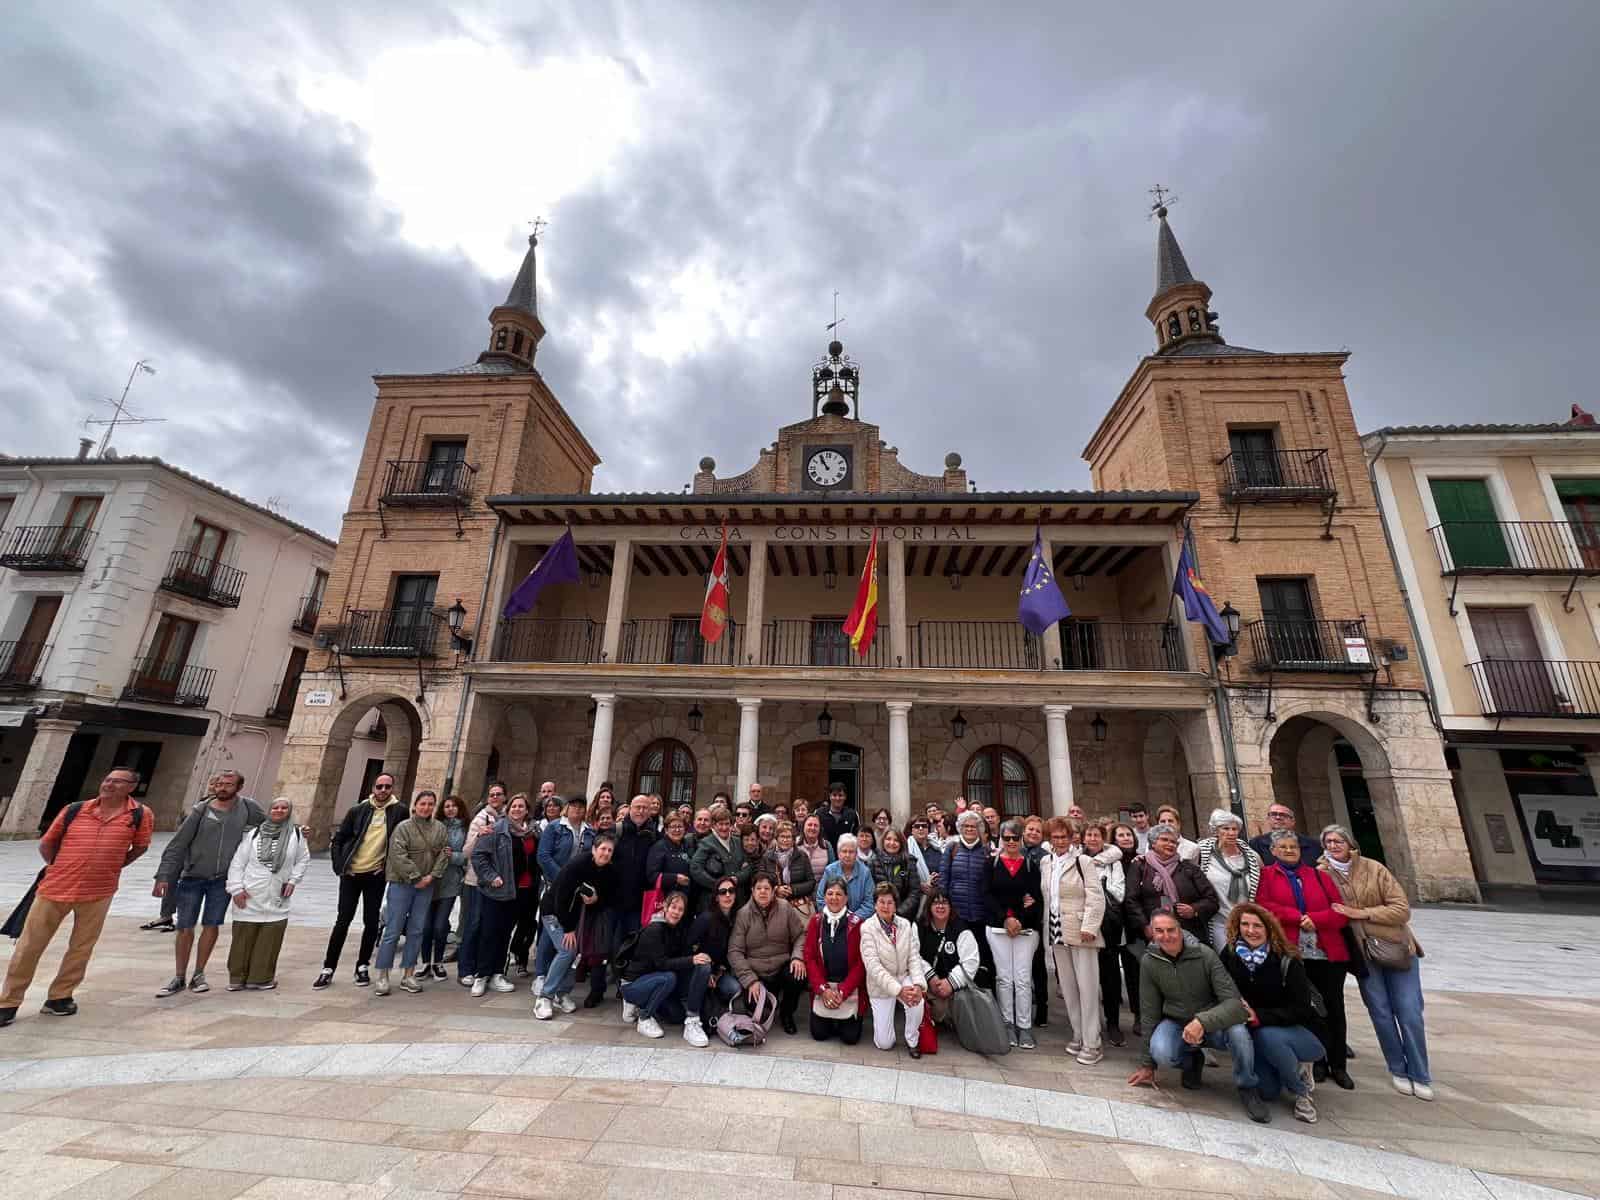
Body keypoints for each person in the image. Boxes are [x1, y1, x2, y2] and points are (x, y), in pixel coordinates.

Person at [0, 768, 152, 1026]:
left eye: (118, 782)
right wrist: (59, 866)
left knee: (81, 947)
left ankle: (60, 996)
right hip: (55, 887)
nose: (109, 785)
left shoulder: (139, 815)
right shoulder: (75, 810)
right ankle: (8, 1002)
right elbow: (47, 843)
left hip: (99, 891)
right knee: (28, 946)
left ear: (131, 787)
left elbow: (140, 846)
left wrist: (112, 866)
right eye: (107, 779)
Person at [1321, 823, 1432, 1100]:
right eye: (1329, 842)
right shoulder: (1320, 873)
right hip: (1362, 952)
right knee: (1380, 1012)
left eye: (1339, 841)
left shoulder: (1374, 869)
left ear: (1350, 843)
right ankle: (1397, 1068)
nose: (1334, 846)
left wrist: (1360, 913)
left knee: (1409, 1012)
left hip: (1395, 946)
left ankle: (1420, 1074)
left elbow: (1401, 909)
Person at [1127, 912, 1270, 1124]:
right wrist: (1148, 1065)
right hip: (1177, 1021)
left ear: (1181, 930)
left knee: (1239, 1033)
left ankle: (1248, 1087)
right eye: (1159, 931)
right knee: (1162, 1052)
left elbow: (1234, 1003)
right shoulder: (1149, 961)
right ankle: (1192, 1059)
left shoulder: (1205, 954)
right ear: (1152, 933)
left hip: (1214, 1021)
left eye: (1171, 930)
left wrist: (1202, 1022)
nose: (1166, 936)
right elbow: (1149, 1013)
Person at [154, 770, 266, 997]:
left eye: (229, 784)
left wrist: (295, 831)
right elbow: (178, 844)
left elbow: (269, 827)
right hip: (193, 877)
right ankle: (179, 976)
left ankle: (199, 973)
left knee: (211, 924)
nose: (222, 787)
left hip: (223, 880)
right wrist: (164, 875)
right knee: (185, 926)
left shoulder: (248, 808)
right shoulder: (201, 810)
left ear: (238, 787)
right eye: (220, 783)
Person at [1256, 829, 1352, 1089]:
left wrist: (1316, 919)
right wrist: (1296, 917)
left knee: (1333, 1007)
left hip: (1326, 951)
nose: (1289, 850)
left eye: (1293, 846)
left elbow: (1340, 912)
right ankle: (1317, 1060)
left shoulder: (1319, 877)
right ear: (1273, 851)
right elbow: (1264, 905)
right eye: (1283, 847)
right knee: (1305, 1008)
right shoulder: (1266, 875)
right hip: (1291, 952)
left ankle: (1339, 1064)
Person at [1219, 902, 1325, 1123]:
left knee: (1269, 1035)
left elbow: (1302, 1009)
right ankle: (1288, 1068)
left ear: (1269, 928)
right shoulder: (1229, 955)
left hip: (1297, 1033)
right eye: (1245, 924)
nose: (1250, 930)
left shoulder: (1286, 959)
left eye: (1257, 925)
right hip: (1258, 1032)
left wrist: (1260, 1016)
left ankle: (1301, 1091)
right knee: (1268, 1092)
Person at [316, 774, 408, 989]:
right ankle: (328, 968)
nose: (383, 790)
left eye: (387, 786)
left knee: (371, 921)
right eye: (379, 786)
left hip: (375, 876)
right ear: (373, 787)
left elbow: (401, 842)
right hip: (352, 874)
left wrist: (385, 866)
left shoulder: (400, 811)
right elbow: (339, 839)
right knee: (343, 920)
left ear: (393, 788)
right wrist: (341, 866)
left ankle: (363, 966)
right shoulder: (358, 810)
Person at [222, 796, 309, 991]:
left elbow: (303, 859)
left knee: (270, 937)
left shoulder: (296, 834)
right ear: (269, 811)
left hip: (277, 893)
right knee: (243, 937)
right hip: (250, 892)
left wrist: (294, 880)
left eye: (284, 808)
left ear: (289, 811)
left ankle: (260, 978)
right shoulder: (254, 834)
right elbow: (238, 862)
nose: (279, 810)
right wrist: (236, 888)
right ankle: (237, 978)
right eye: (275, 807)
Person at [373, 789, 450, 996]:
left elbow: (444, 853)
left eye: (430, 804)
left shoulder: (440, 828)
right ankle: (383, 975)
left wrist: (431, 877)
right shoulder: (403, 827)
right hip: (402, 884)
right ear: (415, 806)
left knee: (416, 930)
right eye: (423, 803)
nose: (426, 807)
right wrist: (416, 877)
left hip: (426, 885)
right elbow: (398, 855)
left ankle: (408, 973)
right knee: (393, 930)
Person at [533, 833, 617, 1020]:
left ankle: (562, 993)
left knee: (577, 952)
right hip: (554, 912)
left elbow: (610, 897)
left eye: (610, 850)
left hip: (580, 916)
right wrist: (569, 928)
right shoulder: (578, 865)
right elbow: (560, 897)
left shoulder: (609, 871)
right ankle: (545, 996)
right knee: (567, 950)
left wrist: (596, 900)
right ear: (594, 849)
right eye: (603, 848)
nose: (606, 853)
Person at [1043, 818, 1105, 1064]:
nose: (1059, 841)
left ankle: (1093, 1042)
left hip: (1081, 929)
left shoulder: (1083, 861)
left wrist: (1090, 926)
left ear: (1071, 838)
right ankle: (1078, 1034)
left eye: (1063, 837)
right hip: (1057, 929)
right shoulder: (1046, 863)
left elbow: (1096, 896)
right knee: (1068, 987)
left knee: (1087, 988)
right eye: (1055, 837)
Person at [141, 772, 232, 932]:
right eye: (213, 784)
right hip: (184, 849)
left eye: (218, 784)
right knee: (169, 878)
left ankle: (183, 919)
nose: (213, 787)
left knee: (187, 884)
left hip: (201, 856)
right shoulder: (204, 803)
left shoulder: (228, 806)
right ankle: (166, 915)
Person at [469, 794, 540, 997]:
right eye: (514, 806)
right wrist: (492, 876)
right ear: (508, 810)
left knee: (504, 934)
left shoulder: (533, 832)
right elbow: (478, 855)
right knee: (489, 932)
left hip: (523, 891)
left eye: (521, 806)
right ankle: (481, 974)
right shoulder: (496, 829)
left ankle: (498, 973)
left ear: (527, 810)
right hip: (498, 890)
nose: (517, 809)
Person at [619, 891, 710, 1041]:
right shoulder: (655, 929)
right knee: (669, 977)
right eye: (673, 907)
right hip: (633, 984)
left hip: (654, 980)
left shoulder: (675, 930)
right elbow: (662, 964)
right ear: (665, 907)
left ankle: (642, 1004)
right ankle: (644, 1017)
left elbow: (680, 956)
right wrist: (692, 960)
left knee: (676, 1016)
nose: (676, 912)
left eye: (680, 909)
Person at [592, 795, 657, 1003]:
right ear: (630, 809)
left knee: (629, 948)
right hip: (611, 901)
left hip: (636, 903)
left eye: (645, 808)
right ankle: (596, 989)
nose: (641, 811)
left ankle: (624, 986)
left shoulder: (652, 834)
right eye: (637, 807)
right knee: (603, 946)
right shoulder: (616, 831)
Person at [728, 872, 809, 1034]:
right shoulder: (743, 914)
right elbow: (734, 951)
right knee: (757, 1009)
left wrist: (797, 957)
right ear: (752, 890)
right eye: (758, 888)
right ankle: (767, 1003)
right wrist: (750, 980)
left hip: (781, 967)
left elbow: (801, 935)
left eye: (767, 888)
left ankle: (787, 1014)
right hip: (756, 972)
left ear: (773, 891)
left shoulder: (785, 908)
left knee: (798, 976)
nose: (763, 892)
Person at [985, 819, 1042, 1049]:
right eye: (1006, 838)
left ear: (1021, 840)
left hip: (1025, 929)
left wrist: (1018, 918)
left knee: (1022, 978)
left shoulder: (1031, 866)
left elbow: (1035, 898)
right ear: (1001, 838)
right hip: (998, 928)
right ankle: (1008, 1023)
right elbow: (987, 895)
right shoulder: (991, 864)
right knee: (1005, 978)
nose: (1011, 842)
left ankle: (1024, 1026)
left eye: (1015, 838)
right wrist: (1005, 918)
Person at [858, 882, 929, 1056]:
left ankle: (912, 1039)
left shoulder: (905, 925)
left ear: (896, 905)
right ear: (875, 904)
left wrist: (919, 985)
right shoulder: (867, 928)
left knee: (917, 1000)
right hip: (881, 986)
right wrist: (898, 991)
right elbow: (873, 967)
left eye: (890, 902)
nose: (885, 906)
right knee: (885, 1043)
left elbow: (914, 958)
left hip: (903, 976)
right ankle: (885, 1035)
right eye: (881, 902)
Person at [532, 793, 593, 994]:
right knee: (549, 933)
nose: (577, 809)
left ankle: (559, 981)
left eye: (581, 806)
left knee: (565, 936)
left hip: (577, 892)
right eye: (573, 806)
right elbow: (543, 855)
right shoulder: (555, 827)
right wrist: (564, 879)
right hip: (554, 886)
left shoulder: (589, 831)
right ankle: (541, 974)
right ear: (567, 808)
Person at [1123, 824, 1216, 946]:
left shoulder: (1189, 869)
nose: (1170, 844)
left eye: (1173, 842)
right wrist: (1145, 925)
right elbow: (1131, 900)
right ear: (1153, 843)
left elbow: (1212, 899)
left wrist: (1195, 909)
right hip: (1153, 932)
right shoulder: (1140, 866)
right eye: (1164, 840)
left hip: (1188, 932)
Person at [456, 782, 508, 989]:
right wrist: (479, 834)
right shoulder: (480, 818)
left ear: (505, 797)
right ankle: (465, 969)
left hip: (497, 883)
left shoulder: (506, 819)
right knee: (474, 924)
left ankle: (484, 968)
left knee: (490, 927)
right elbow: (466, 852)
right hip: (476, 881)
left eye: (498, 794)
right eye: (491, 794)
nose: (494, 797)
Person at [1086, 823, 1132, 1046]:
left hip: (1108, 924)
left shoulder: (1114, 862)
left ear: (1103, 839)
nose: (1092, 839)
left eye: (1096, 835)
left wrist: (1098, 887)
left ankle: (1112, 1022)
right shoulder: (1079, 858)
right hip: (1085, 922)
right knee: (1087, 975)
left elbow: (1119, 891)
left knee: (1110, 974)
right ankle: (1091, 1022)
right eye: (1089, 835)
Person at [803, 878, 865, 1044]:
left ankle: (843, 1020)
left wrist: (843, 991)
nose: (834, 898)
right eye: (830, 893)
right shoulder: (816, 921)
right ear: (824, 897)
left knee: (850, 1038)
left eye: (839, 894)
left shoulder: (857, 924)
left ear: (846, 898)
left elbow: (861, 963)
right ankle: (830, 1019)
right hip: (825, 986)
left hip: (847, 988)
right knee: (819, 1034)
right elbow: (809, 958)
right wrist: (823, 990)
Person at [916, 890, 984, 1035]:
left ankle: (949, 1018)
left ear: (951, 906)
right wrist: (931, 977)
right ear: (929, 906)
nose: (940, 906)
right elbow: (913, 955)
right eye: (936, 902)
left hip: (954, 990)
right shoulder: (920, 926)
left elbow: (971, 961)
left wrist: (950, 983)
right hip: (929, 986)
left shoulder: (961, 929)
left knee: (954, 1009)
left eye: (944, 902)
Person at [1195, 808, 1262, 950]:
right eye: (1226, 828)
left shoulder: (1252, 856)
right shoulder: (1203, 853)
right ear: (1216, 831)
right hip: (1219, 921)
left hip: (1247, 921)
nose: (1231, 833)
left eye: (1235, 829)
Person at [419, 795, 468, 981]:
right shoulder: (433, 825)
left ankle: (438, 962)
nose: (450, 809)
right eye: (447, 806)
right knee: (426, 926)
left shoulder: (465, 829)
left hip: (450, 881)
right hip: (430, 880)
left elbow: (466, 855)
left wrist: (452, 856)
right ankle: (425, 963)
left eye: (454, 806)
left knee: (440, 926)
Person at [686, 874, 743, 1032]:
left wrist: (719, 971)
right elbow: (689, 946)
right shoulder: (706, 919)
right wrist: (708, 971)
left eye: (731, 891)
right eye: (722, 891)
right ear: (716, 897)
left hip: (719, 971)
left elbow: (729, 952)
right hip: (699, 968)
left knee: (734, 988)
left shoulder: (736, 918)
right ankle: (692, 1016)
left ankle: (715, 1005)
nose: (727, 895)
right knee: (704, 969)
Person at [689, 805, 746, 911]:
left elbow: (748, 866)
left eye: (727, 824)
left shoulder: (738, 841)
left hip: (737, 899)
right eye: (720, 824)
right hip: (714, 900)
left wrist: (738, 878)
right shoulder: (707, 843)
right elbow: (695, 868)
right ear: (714, 825)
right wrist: (717, 885)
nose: (724, 828)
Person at [941, 811, 991, 928]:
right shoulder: (952, 848)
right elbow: (944, 879)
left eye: (973, 826)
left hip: (980, 913)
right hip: (956, 912)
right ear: (960, 828)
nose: (969, 829)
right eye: (966, 826)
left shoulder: (986, 851)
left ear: (979, 829)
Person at [763, 820, 817, 915]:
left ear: (793, 839)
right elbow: (761, 881)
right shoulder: (767, 857)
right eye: (782, 836)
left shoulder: (802, 856)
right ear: (776, 838)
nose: (785, 840)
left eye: (788, 837)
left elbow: (811, 882)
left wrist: (793, 889)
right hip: (775, 906)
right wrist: (776, 889)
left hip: (798, 907)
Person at [817, 833, 874, 919]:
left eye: (851, 852)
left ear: (856, 854)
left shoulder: (865, 873)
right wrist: (834, 917)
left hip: (858, 922)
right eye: (844, 851)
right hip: (832, 920)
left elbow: (869, 903)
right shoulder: (830, 870)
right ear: (839, 853)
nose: (847, 855)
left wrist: (852, 919)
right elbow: (821, 899)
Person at [646, 812, 695, 911]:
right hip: (665, 902)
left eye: (680, 826)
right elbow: (651, 876)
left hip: (685, 901)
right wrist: (675, 878)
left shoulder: (687, 846)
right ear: (666, 829)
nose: (677, 830)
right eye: (673, 827)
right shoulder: (659, 847)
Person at [870, 827, 920, 919]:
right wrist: (882, 910)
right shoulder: (874, 862)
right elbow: (870, 892)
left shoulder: (909, 862)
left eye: (896, 840)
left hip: (903, 916)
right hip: (878, 915)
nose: (892, 843)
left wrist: (898, 912)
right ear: (883, 841)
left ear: (901, 843)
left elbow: (914, 893)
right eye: (888, 839)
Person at [1248, 803, 1322, 864]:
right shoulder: (1256, 844)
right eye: (1273, 814)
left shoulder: (1313, 844)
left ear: (1293, 821)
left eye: (1283, 815)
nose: (1278, 817)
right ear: (1268, 819)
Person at [816, 782, 859, 848]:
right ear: (830, 796)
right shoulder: (819, 813)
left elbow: (857, 837)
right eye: (834, 795)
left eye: (840, 795)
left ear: (845, 797)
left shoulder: (852, 814)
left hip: (846, 854)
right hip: (824, 853)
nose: (837, 798)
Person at [797, 814, 832, 882]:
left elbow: (832, 872)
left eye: (816, 825)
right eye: (809, 825)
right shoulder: (794, 844)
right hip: (799, 888)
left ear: (820, 829)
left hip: (820, 888)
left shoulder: (827, 845)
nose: (812, 828)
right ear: (803, 827)